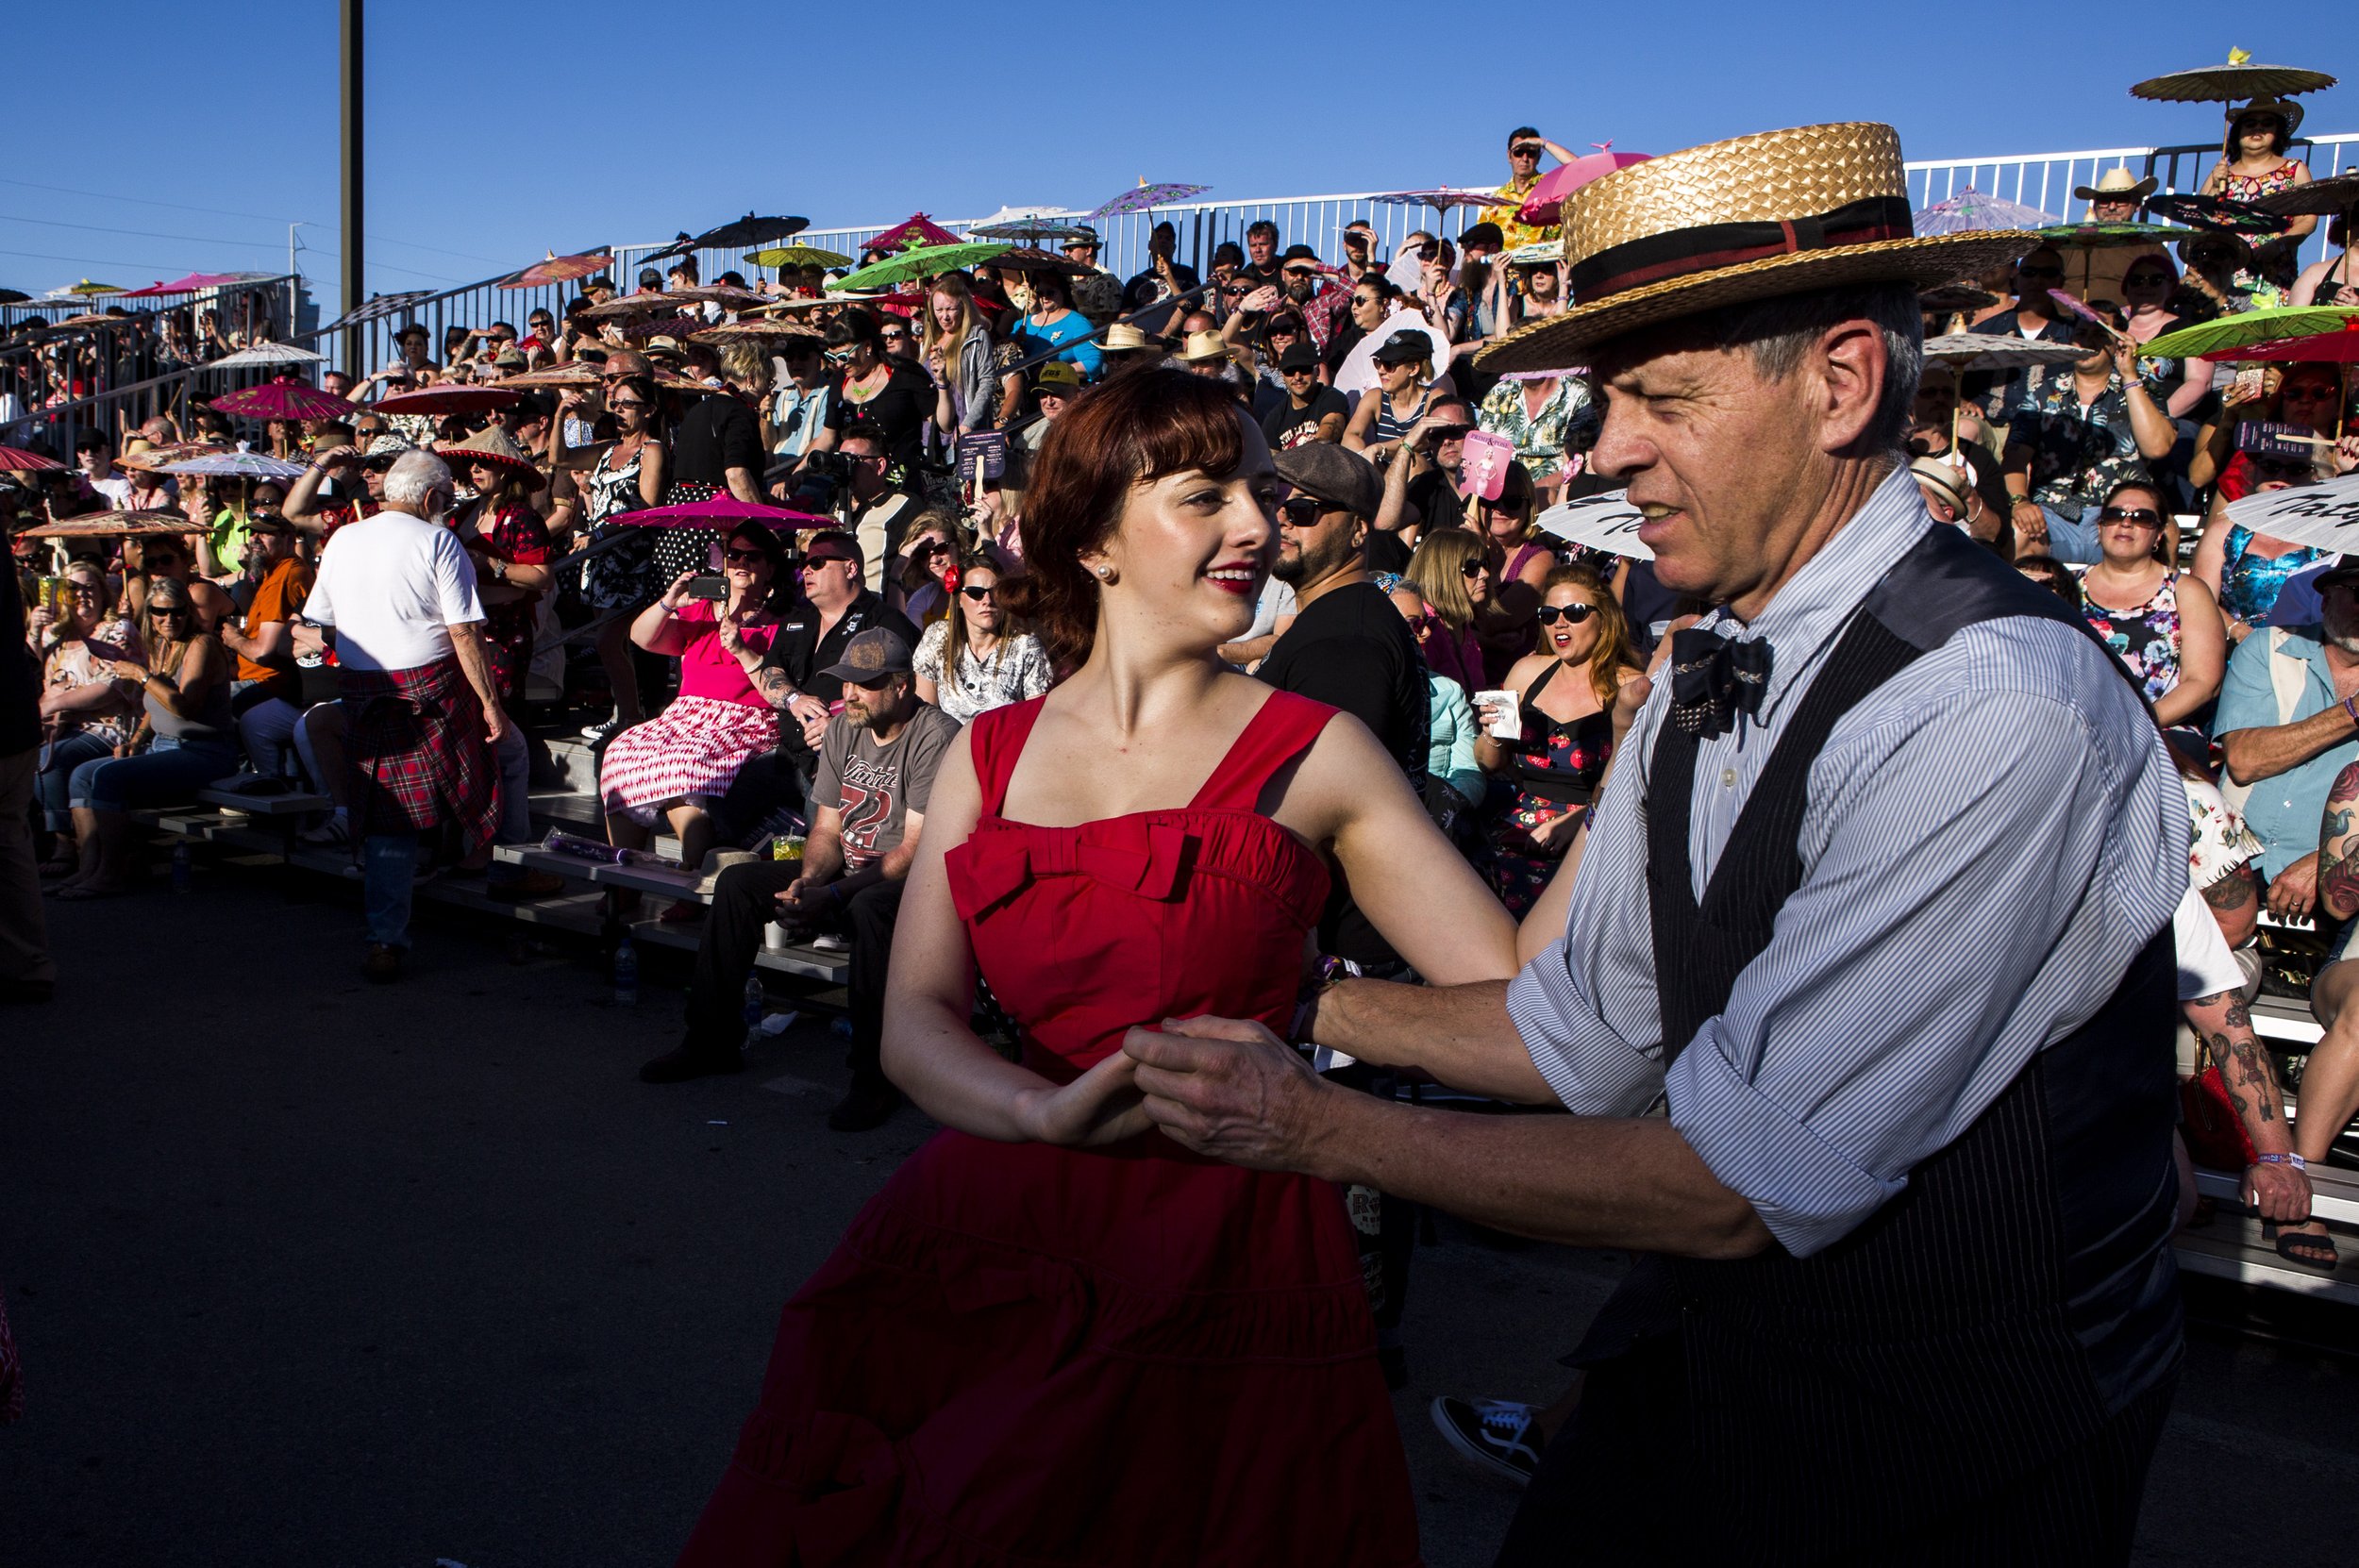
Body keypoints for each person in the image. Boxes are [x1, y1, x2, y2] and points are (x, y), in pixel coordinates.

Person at [1122, 123, 2184, 1563]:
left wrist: (1305, 1121)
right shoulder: (1707, 660)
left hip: (1948, 1449)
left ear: (1843, 382)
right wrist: (1275, 999)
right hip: (1712, 1376)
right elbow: (1586, 1031)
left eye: (1661, 400)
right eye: (1608, 400)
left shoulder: (1995, 702)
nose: (1606, 450)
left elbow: (1740, 1183)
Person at [672, 368, 1516, 1563]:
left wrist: (1314, 1015)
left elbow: (1524, 1016)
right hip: (996, 1223)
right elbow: (915, 1018)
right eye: (1206, 494)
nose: (1254, 527)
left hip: (1230, 1250)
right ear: (1095, 539)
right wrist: (1042, 1109)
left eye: (1263, 495)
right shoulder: (991, 755)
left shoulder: (1315, 750)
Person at [291, 452, 505, 984]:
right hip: (432, 685)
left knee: (392, 824)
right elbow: (463, 633)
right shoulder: (439, 540)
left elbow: (325, 623)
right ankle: (500, 866)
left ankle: (387, 939)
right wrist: (491, 702)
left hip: (367, 690)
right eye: (447, 501)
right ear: (432, 499)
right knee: (503, 757)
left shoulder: (342, 539)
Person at [1257, 441, 1428, 977]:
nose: (1282, 519)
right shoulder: (1342, 621)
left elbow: (1324, 815)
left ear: (1359, 531)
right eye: (1274, 503)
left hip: (1340, 952)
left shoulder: (1343, 645)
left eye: (1304, 510)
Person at [598, 525, 785, 884]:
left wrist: (740, 641)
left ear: (770, 568)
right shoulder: (700, 612)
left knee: (686, 765)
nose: (742, 562)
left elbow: (774, 686)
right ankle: (622, 881)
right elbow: (640, 638)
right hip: (686, 715)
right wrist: (671, 601)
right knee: (621, 750)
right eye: (735, 555)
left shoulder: (777, 623)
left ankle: (698, 876)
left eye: (753, 556)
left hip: (741, 719)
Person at [1473, 565, 1641, 918]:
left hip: (1594, 834)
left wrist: (1580, 821)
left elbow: (1638, 782)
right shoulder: (1527, 671)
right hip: (1517, 833)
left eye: (1574, 613)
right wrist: (1493, 731)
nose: (1559, 624)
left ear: (1604, 618)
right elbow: (1489, 763)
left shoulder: (1631, 686)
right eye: (1549, 615)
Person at [54, 577, 236, 899]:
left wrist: (141, 674)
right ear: (150, 613)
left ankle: (111, 873)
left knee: (109, 778)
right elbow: (156, 704)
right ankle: (89, 867)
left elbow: (184, 706)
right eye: (160, 612)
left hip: (203, 751)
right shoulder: (162, 645)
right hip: (162, 746)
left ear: (189, 611)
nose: (170, 619)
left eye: (178, 611)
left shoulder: (201, 645)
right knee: (82, 775)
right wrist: (136, 740)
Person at [2215, 564, 2359, 917]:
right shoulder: (2268, 649)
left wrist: (2327, 861)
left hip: (2333, 877)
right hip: (2232, 857)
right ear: (2326, 599)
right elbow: (2245, 762)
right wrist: (2352, 712)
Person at [2000, 306, 2174, 561]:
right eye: (2080, 333)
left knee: (2168, 531)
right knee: (2018, 532)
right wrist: (2020, 502)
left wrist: (2129, 375)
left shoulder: (2141, 389)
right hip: (2053, 514)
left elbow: (2157, 448)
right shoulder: (2042, 391)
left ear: (2118, 343)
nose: (2087, 341)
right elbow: (2014, 457)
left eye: (2099, 334)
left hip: (2122, 516)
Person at [558, 371, 667, 741]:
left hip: (631, 559)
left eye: (628, 405)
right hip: (602, 558)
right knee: (612, 644)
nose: (619, 411)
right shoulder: (606, 449)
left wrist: (601, 532)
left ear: (649, 410)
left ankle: (632, 717)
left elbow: (648, 508)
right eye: (615, 404)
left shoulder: (652, 449)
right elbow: (560, 458)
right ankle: (627, 714)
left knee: (608, 641)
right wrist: (562, 416)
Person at [2078, 480, 2226, 735]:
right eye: (2115, 515)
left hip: (2162, 729)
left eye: (2142, 518)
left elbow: (2203, 682)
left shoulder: (2186, 591)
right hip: (2079, 728)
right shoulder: (2068, 588)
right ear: (2100, 526)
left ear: (2158, 534)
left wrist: (2137, 723)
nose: (2126, 523)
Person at [32, 562, 140, 878]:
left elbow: (110, 688)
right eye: (74, 588)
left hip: (107, 727)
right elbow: (34, 678)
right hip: (65, 727)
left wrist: (55, 703)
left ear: (103, 593)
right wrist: (34, 632)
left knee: (50, 759)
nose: (82, 595)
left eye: (89, 587)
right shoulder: (57, 636)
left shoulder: (117, 631)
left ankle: (65, 845)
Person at [214, 512, 312, 773]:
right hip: (254, 676)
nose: (255, 538)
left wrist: (233, 639)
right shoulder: (271, 572)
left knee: (211, 706)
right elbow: (245, 609)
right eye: (252, 533)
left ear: (289, 538)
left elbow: (262, 653)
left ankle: (254, 782)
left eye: (265, 533)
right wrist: (250, 570)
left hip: (271, 681)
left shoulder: (287, 574)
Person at [912, 548, 1052, 724]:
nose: (987, 600)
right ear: (959, 600)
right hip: (948, 746)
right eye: (975, 593)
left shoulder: (1026, 645)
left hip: (1006, 746)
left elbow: (1037, 719)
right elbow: (926, 717)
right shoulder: (938, 637)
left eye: (995, 591)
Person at [0, 555, 51, 1003]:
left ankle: (26, 963)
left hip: (10, 721)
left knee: (10, 841)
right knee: (11, 844)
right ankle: (28, 962)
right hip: (14, 718)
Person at [2200, 98, 2317, 285]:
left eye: (2267, 124)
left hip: (2274, 276)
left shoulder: (2294, 170)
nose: (2258, 129)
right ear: (2238, 132)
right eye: (2250, 124)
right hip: (2225, 279)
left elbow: (2307, 221)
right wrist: (2215, 187)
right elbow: (2197, 224)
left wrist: (2278, 246)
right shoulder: (2221, 174)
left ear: (2277, 132)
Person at [822, 309, 932, 467]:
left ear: (867, 346)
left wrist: (942, 383)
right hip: (854, 483)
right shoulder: (838, 381)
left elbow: (943, 424)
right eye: (832, 358)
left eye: (844, 356)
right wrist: (799, 472)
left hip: (904, 481)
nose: (839, 364)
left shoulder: (906, 373)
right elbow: (827, 437)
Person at [1399, 526, 1489, 695]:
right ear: (1444, 572)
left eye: (1484, 564)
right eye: (1472, 567)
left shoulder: (1459, 620)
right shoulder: (1424, 627)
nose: (1485, 574)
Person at [1481, 126, 1577, 251]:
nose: (1524, 159)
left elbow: (1579, 168)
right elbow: (1481, 243)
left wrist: (1543, 143)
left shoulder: (1552, 185)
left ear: (1538, 157)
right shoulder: (1494, 202)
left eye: (1531, 153)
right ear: (1509, 156)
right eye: (1518, 152)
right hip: (1505, 269)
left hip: (1544, 268)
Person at [1005, 269, 1102, 382]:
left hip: (1061, 390)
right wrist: (1016, 343)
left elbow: (1092, 363)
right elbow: (1007, 360)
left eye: (1050, 293)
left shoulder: (1077, 323)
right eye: (1040, 293)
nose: (1045, 297)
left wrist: (1050, 372)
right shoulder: (1022, 324)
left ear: (1063, 291)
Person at [1261, 342, 1347, 450]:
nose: (1297, 377)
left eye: (1304, 369)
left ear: (1317, 371)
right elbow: (1271, 459)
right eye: (1290, 371)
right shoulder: (1275, 418)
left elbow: (1327, 436)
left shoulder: (1333, 398)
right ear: (1283, 375)